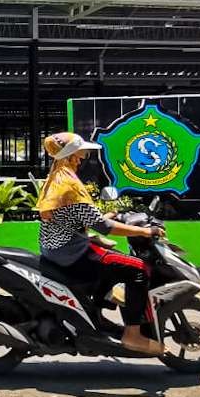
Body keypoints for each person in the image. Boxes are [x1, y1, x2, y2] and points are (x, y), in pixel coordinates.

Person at [35, 132, 166, 356]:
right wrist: (145, 231)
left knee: (111, 259)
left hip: (58, 248)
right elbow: (104, 227)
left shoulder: (57, 176)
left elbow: (78, 217)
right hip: (71, 253)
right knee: (138, 269)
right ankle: (132, 335)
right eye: (81, 152)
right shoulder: (69, 185)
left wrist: (110, 215)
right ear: (72, 155)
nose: (84, 156)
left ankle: (98, 318)